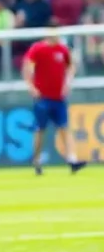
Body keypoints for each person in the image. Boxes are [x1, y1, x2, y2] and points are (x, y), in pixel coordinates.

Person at [23, 35, 86, 177]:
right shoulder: (37, 49)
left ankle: (72, 159)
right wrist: (31, 87)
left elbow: (71, 65)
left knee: (64, 128)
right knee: (40, 130)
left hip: (58, 97)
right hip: (42, 97)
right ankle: (37, 160)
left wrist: (68, 82)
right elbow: (27, 67)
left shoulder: (62, 50)